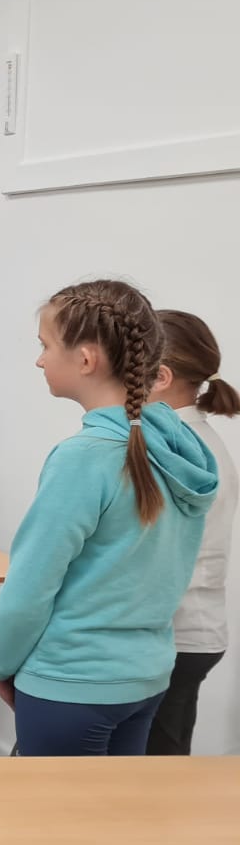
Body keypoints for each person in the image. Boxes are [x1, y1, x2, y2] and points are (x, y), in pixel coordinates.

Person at [0, 281, 218, 757]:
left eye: (46, 346)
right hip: (145, 677)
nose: (40, 360)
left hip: (72, 679)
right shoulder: (178, 451)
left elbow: (32, 584)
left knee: (49, 809)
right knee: (112, 808)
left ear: (86, 359)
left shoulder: (84, 457)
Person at [144, 310, 237, 755]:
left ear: (161, 377)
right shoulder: (198, 438)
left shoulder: (173, 446)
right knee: (161, 767)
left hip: (173, 636)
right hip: (193, 631)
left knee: (150, 775)